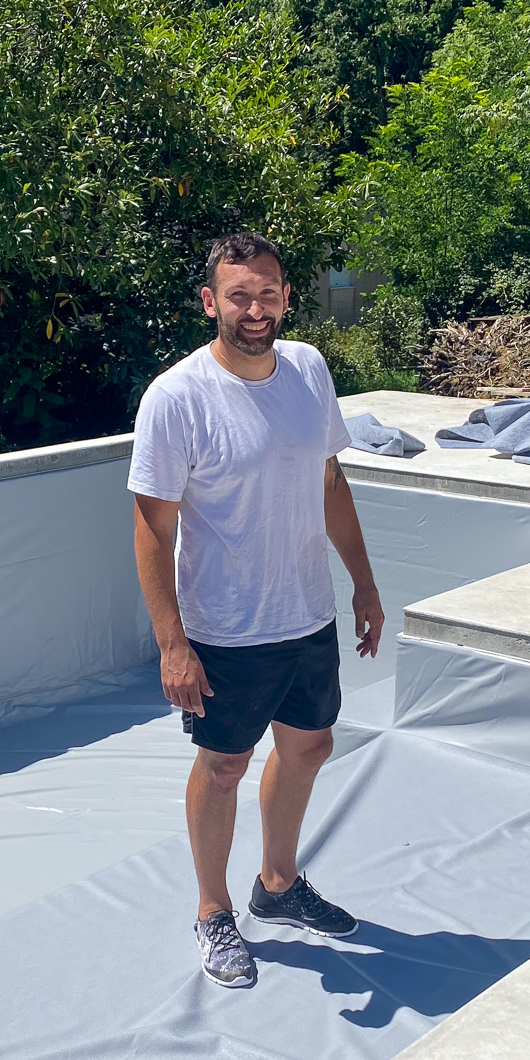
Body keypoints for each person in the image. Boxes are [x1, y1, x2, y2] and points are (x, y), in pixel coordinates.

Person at [128, 231, 386, 989]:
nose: (255, 308)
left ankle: (276, 886)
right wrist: (172, 643)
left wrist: (363, 583)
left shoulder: (307, 369)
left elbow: (329, 483)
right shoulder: (176, 397)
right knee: (224, 764)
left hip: (307, 615)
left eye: (268, 292)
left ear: (284, 297)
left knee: (309, 747)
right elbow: (152, 527)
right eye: (238, 294)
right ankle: (214, 911)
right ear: (210, 301)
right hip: (225, 630)